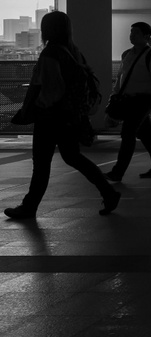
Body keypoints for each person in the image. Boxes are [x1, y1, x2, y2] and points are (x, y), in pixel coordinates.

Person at [4, 11, 121, 219]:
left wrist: (37, 108)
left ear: (47, 29)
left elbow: (52, 90)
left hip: (50, 118)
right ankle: (108, 192)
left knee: (41, 163)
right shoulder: (73, 51)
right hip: (69, 117)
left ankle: (29, 207)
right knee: (73, 157)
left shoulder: (50, 53)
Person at [104, 22, 151, 181]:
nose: (132, 36)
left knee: (128, 133)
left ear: (147, 37)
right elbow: (121, 78)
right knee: (146, 134)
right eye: (131, 32)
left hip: (144, 100)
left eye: (136, 33)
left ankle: (118, 171)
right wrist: (114, 95)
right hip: (130, 100)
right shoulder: (127, 55)